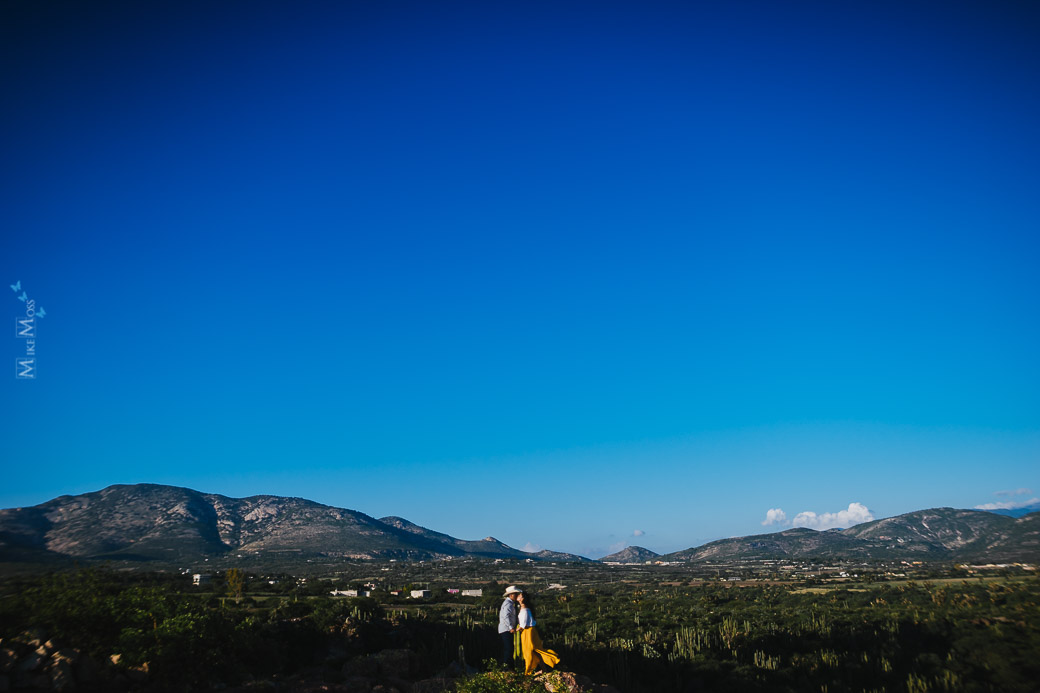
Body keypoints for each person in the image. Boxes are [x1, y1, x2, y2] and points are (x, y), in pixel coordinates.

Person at [516, 591, 561, 675]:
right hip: (530, 631)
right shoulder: (525, 608)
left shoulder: (524, 609)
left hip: (528, 632)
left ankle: (528, 672)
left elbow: (523, 624)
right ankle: (544, 668)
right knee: (535, 651)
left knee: (529, 651)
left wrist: (515, 630)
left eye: (519, 595)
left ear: (522, 599)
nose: (517, 596)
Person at [498, 585, 522, 667]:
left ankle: (508, 667)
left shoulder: (510, 603)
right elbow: (506, 617)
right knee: (508, 649)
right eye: (515, 594)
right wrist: (510, 627)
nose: (517, 596)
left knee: (509, 648)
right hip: (506, 629)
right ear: (511, 595)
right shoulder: (508, 604)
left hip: (507, 629)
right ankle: (506, 667)